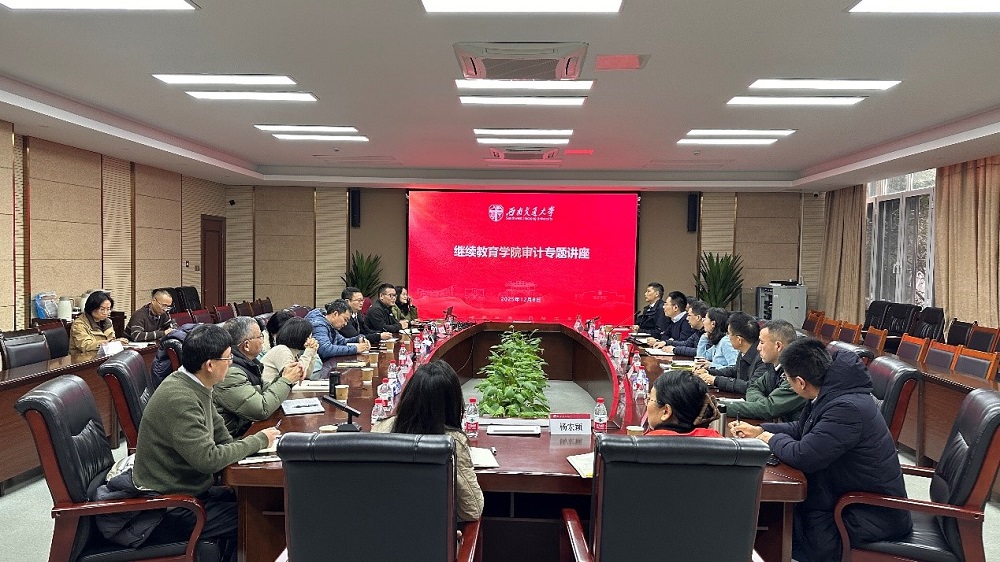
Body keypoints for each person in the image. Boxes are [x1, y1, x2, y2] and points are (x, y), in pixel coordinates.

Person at [730, 338, 911, 562]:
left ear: (800, 382)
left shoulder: (846, 408)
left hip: (868, 513)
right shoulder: (831, 391)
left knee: (777, 523)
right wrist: (760, 430)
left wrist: (770, 438)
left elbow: (804, 456)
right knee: (773, 516)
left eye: (787, 378)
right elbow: (803, 428)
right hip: (841, 495)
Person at [133, 324, 280, 560]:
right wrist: (259, 441)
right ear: (210, 365)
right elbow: (208, 459)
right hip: (169, 507)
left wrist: (255, 449)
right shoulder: (180, 397)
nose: (231, 363)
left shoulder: (198, 384)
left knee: (262, 501)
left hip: (193, 490)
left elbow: (222, 437)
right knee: (261, 517)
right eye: (228, 358)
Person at [372, 360, 484, 522]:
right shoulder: (452, 441)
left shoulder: (380, 429)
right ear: (453, 403)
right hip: (432, 532)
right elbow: (472, 510)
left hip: (382, 525)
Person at [214, 317, 306, 437]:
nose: (263, 341)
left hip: (247, 432)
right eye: (260, 336)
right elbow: (261, 409)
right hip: (233, 440)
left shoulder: (248, 364)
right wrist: (286, 380)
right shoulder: (231, 373)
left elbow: (265, 392)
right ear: (246, 345)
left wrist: (286, 375)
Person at [724, 320, 806, 422]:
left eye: (762, 342)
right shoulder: (774, 367)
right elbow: (753, 387)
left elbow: (768, 409)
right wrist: (761, 403)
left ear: (778, 346)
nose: (758, 348)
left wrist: (720, 407)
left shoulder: (797, 373)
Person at [694, 311, 767, 395]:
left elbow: (751, 386)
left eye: (728, 334)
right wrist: (709, 372)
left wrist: (716, 380)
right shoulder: (743, 351)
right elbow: (734, 371)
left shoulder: (763, 358)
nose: (727, 337)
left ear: (739, 339)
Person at [644, 370, 722, 437]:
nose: (647, 403)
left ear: (666, 412)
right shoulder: (719, 443)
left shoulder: (644, 447)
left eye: (650, 399)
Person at [306, 299, 372, 360]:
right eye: (345, 319)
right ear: (335, 314)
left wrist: (358, 339)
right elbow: (325, 350)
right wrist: (355, 349)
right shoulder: (318, 325)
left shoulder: (330, 324)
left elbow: (342, 341)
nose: (345, 324)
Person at [261, 317, 320, 384]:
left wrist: (313, 352)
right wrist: (309, 352)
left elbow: (307, 376)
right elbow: (295, 377)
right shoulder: (282, 350)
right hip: (269, 389)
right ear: (300, 336)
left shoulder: (294, 354)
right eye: (309, 337)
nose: (311, 340)